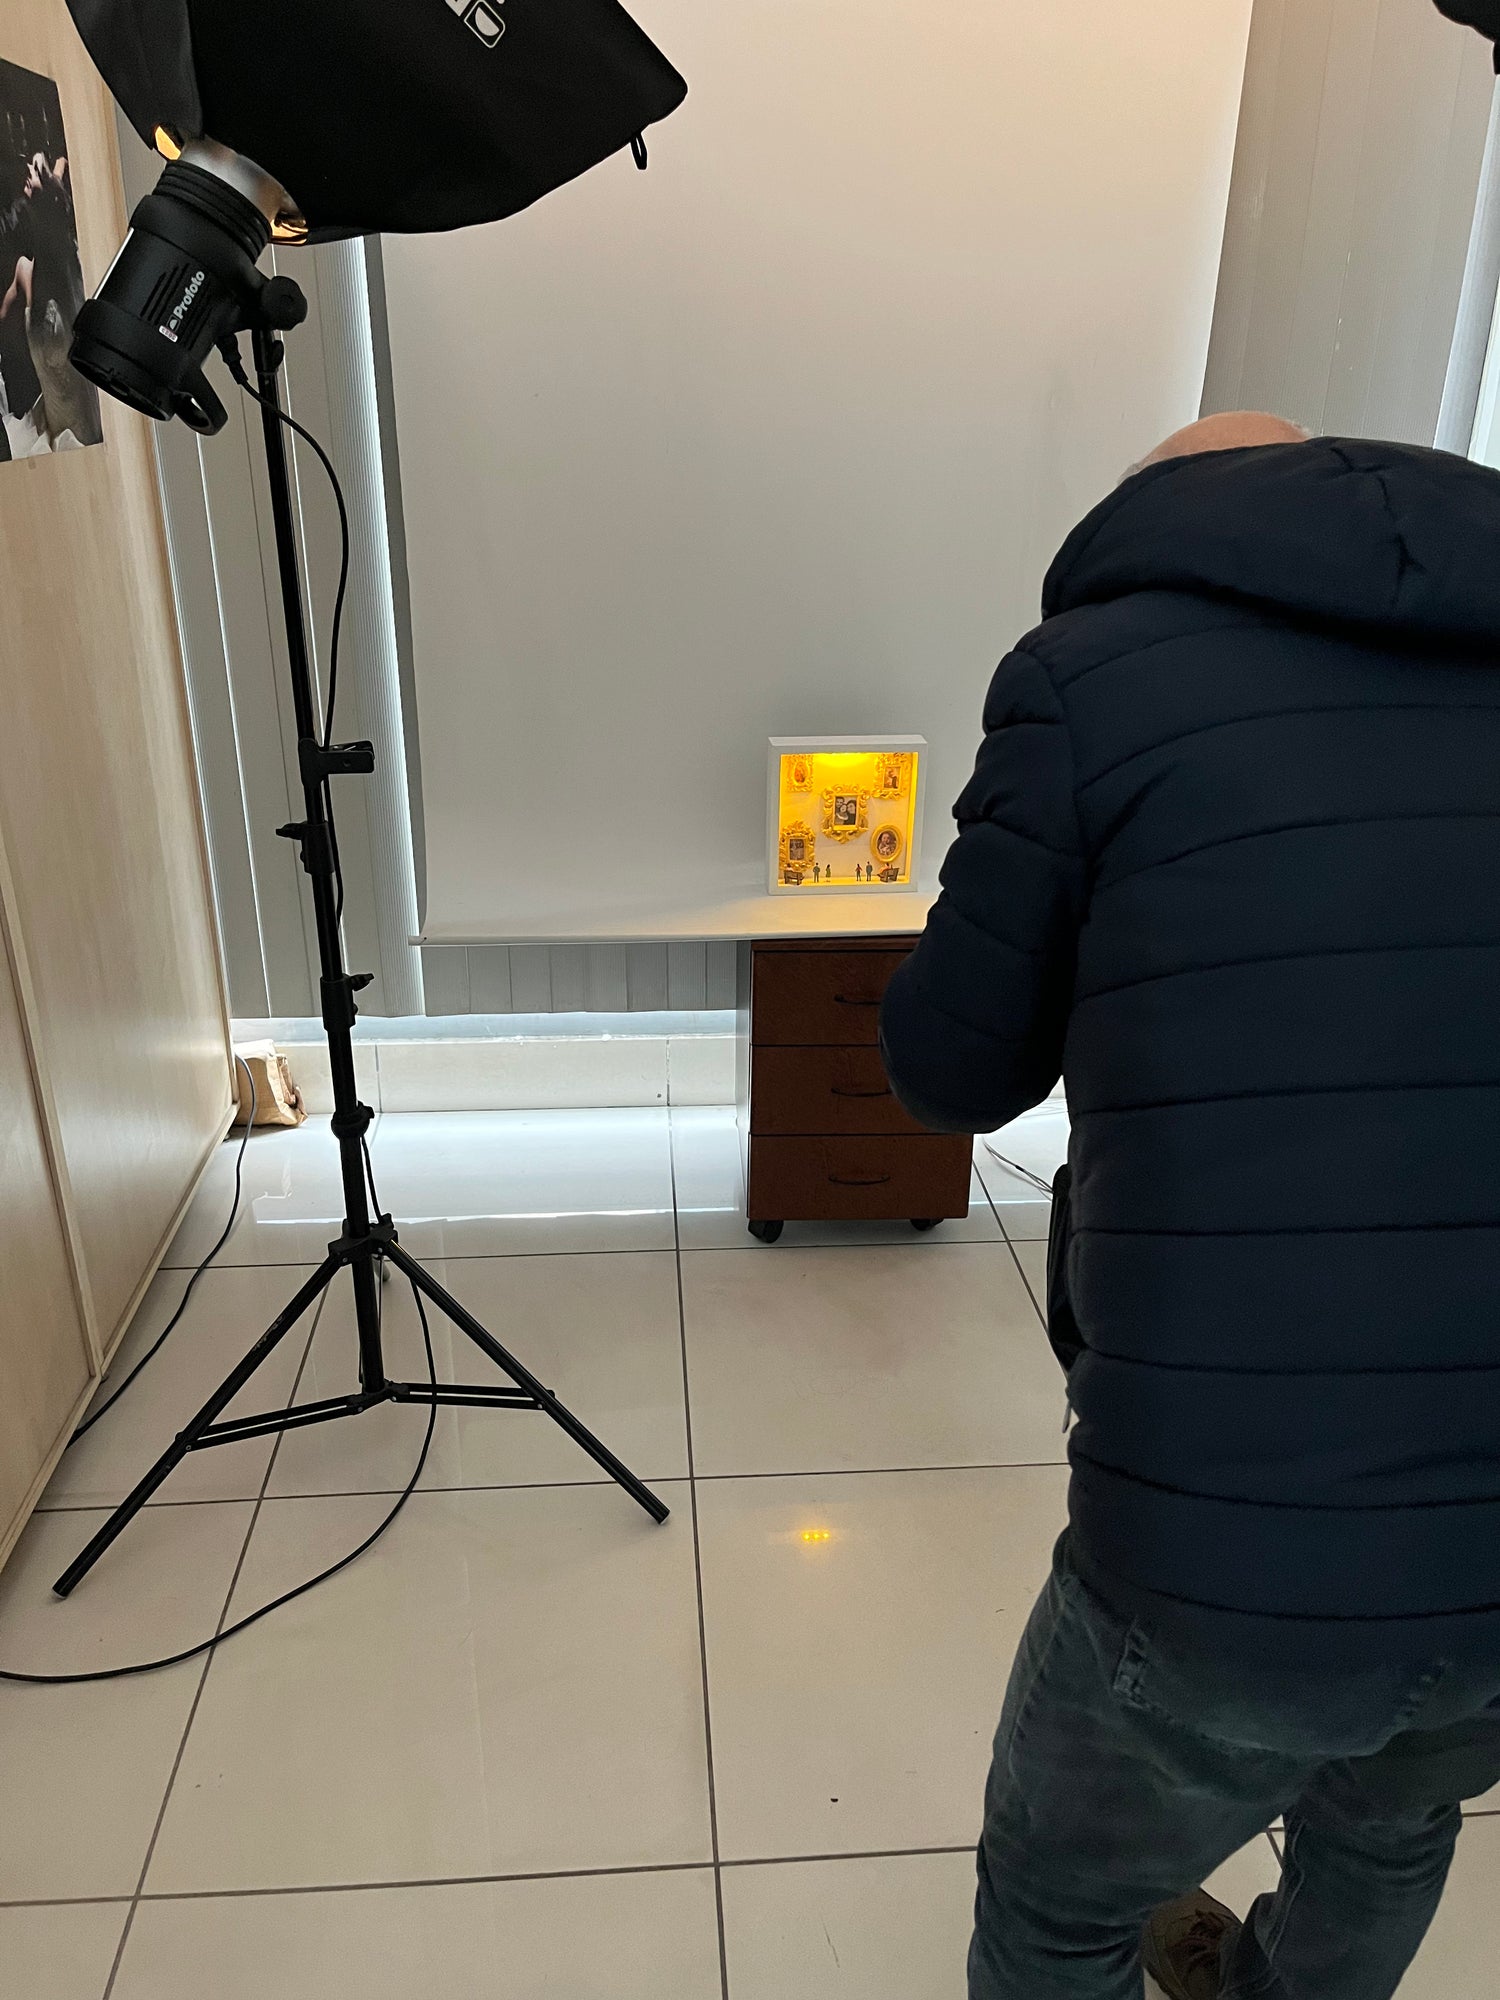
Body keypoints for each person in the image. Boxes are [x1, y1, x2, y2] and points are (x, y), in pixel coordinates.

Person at [879, 414, 1500, 2000]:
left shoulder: (1089, 678)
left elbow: (950, 1070)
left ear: (1165, 521)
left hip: (1227, 1553)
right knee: (1392, 1821)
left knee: (1060, 1909)